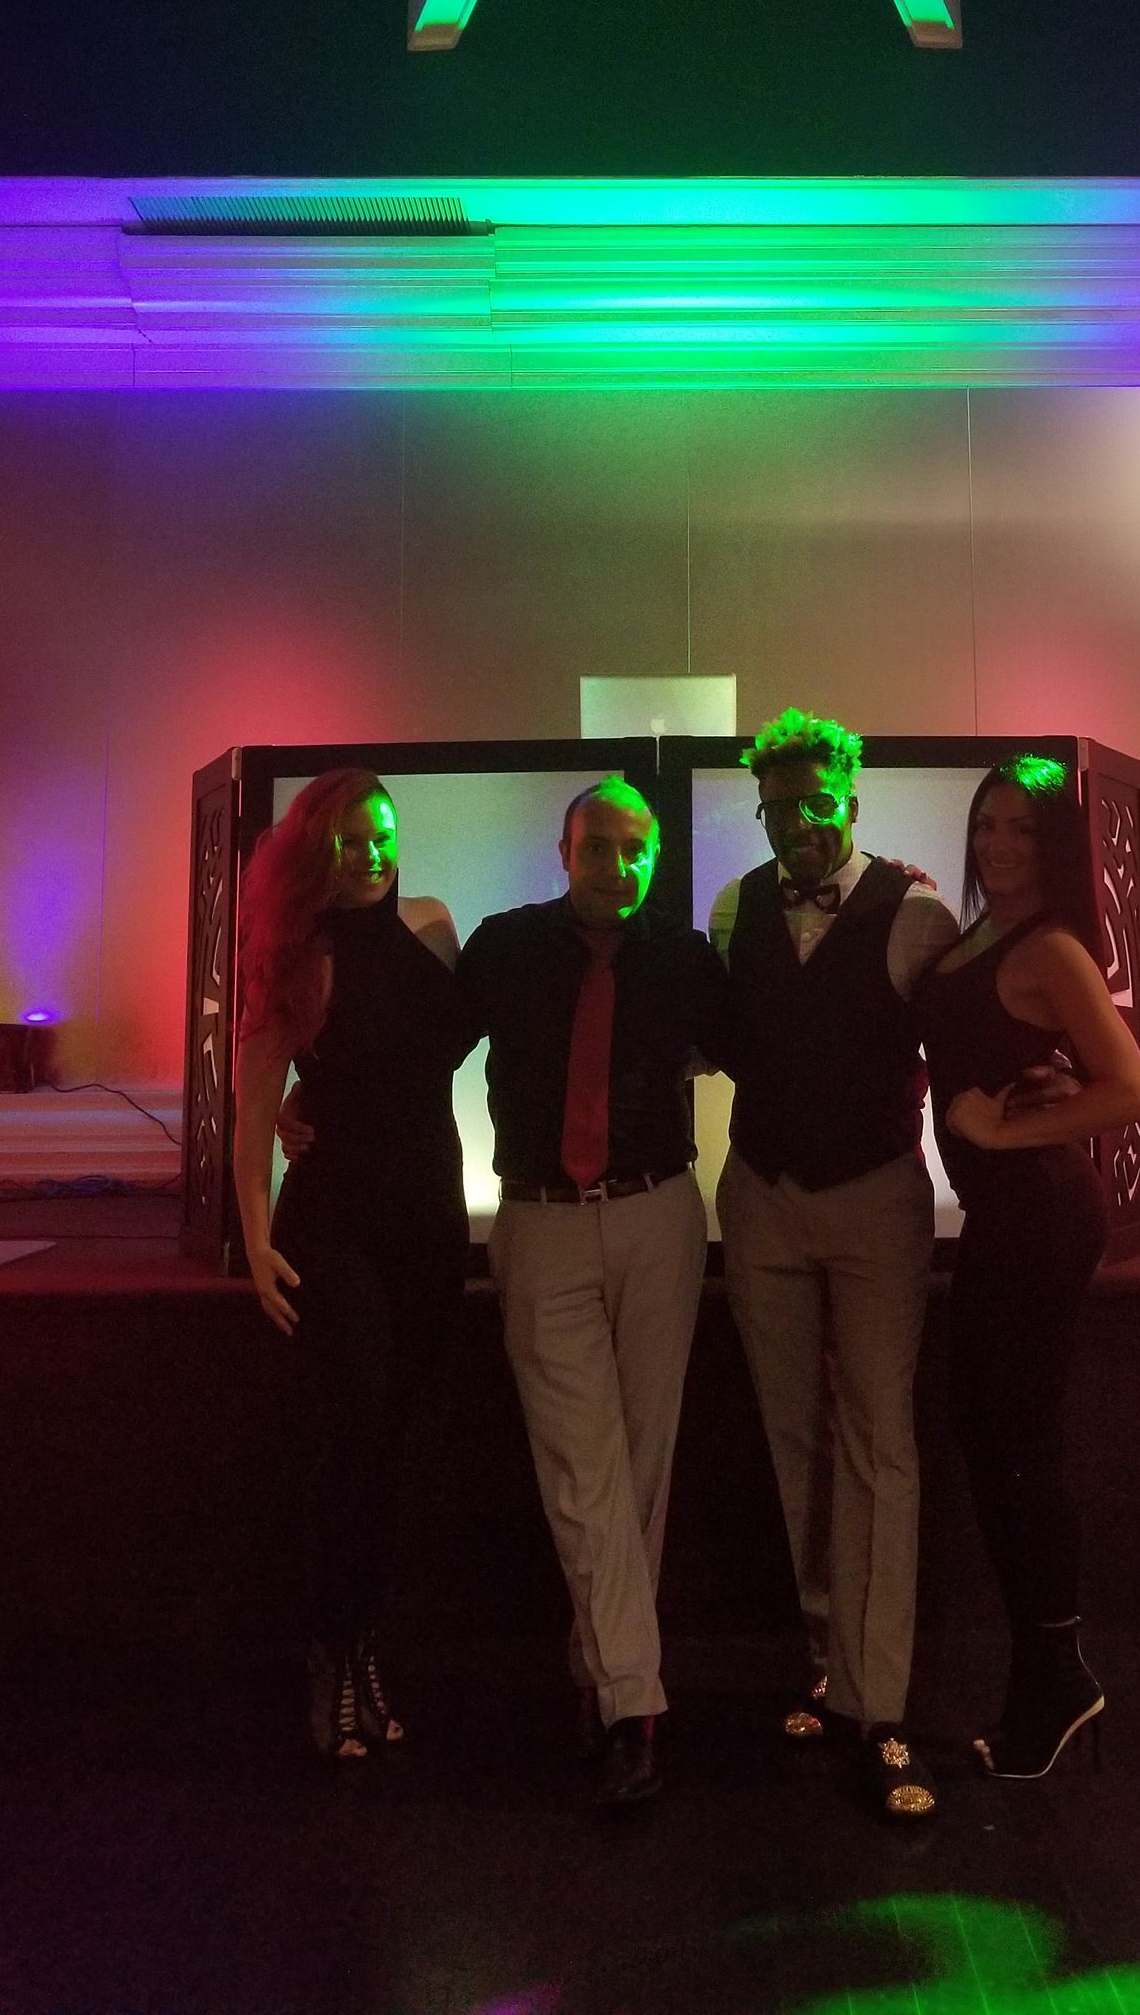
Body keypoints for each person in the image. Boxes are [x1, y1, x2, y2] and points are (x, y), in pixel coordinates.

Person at [456, 778, 729, 1809]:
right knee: (582, 1463)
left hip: (658, 1214)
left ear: (653, 855)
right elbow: (414, 1045)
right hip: (539, 1222)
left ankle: (608, 1680)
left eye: (632, 848)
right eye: (596, 847)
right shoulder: (504, 947)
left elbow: (772, 1041)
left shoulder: (687, 960)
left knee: (639, 1468)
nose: (615, 865)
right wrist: (302, 1091)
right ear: (561, 852)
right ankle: (633, 1704)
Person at [710, 709, 958, 1821]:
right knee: (792, 1434)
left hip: (873, 1199)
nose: (802, 821)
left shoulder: (914, 912)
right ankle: (826, 1657)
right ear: (760, 807)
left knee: (880, 1438)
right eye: (782, 802)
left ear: (852, 800)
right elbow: (715, 1037)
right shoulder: (734, 907)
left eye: (822, 801)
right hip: (761, 1196)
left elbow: (968, 1041)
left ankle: (881, 1698)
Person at [915, 754, 1140, 1779]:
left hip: (1038, 1212)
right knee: (994, 1437)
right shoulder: (983, 932)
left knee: (1020, 1444)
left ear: (1055, 846)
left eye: (1021, 830)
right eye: (987, 826)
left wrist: (999, 1132)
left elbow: (1131, 1092)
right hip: (1005, 1216)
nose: (999, 845)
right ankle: (1049, 1671)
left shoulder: (1052, 947)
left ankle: (1055, 1673)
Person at [232, 769, 467, 1762]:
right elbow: (250, 1115)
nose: (373, 853)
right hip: (333, 1227)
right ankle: (334, 1652)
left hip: (428, 1219)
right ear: (317, 850)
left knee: (394, 1441)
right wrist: (253, 1240)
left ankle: (364, 1646)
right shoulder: (299, 958)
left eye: (384, 835)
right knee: (356, 1433)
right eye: (353, 839)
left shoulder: (434, 925)